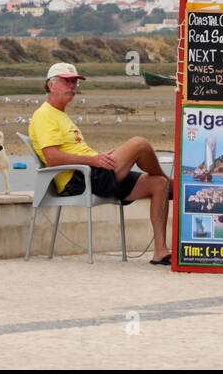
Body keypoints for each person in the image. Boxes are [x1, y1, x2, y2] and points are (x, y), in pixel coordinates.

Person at [29, 62, 173, 265]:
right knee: (139, 144)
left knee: (159, 184)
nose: (72, 86)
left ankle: (160, 251)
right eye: (66, 81)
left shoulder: (61, 116)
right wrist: (92, 160)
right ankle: (173, 183)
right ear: (51, 85)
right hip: (80, 178)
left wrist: (99, 156)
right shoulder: (44, 115)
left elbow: (75, 150)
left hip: (93, 171)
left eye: (74, 82)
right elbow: (52, 157)